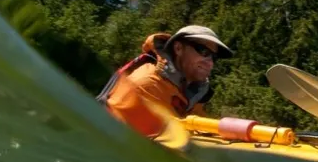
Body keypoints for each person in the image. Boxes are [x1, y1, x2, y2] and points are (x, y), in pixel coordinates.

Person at [98, 25, 233, 137]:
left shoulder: (192, 91)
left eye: (214, 57)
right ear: (178, 48)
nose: (209, 62)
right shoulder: (147, 84)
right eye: (203, 51)